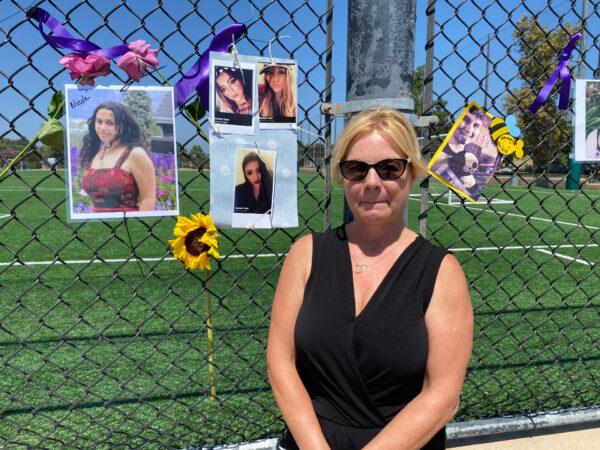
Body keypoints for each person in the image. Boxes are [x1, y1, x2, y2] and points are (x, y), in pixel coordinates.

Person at [267, 109, 473, 450]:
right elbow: (280, 360)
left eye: (390, 168)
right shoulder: (305, 254)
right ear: (342, 176)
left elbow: (443, 395)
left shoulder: (442, 272)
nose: (372, 182)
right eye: (357, 169)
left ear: (411, 173)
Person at [80, 101, 156, 213]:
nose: (102, 128)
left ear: (123, 125)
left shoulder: (135, 153)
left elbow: (148, 199)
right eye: (99, 121)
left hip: (126, 225)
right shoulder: (96, 153)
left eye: (110, 123)